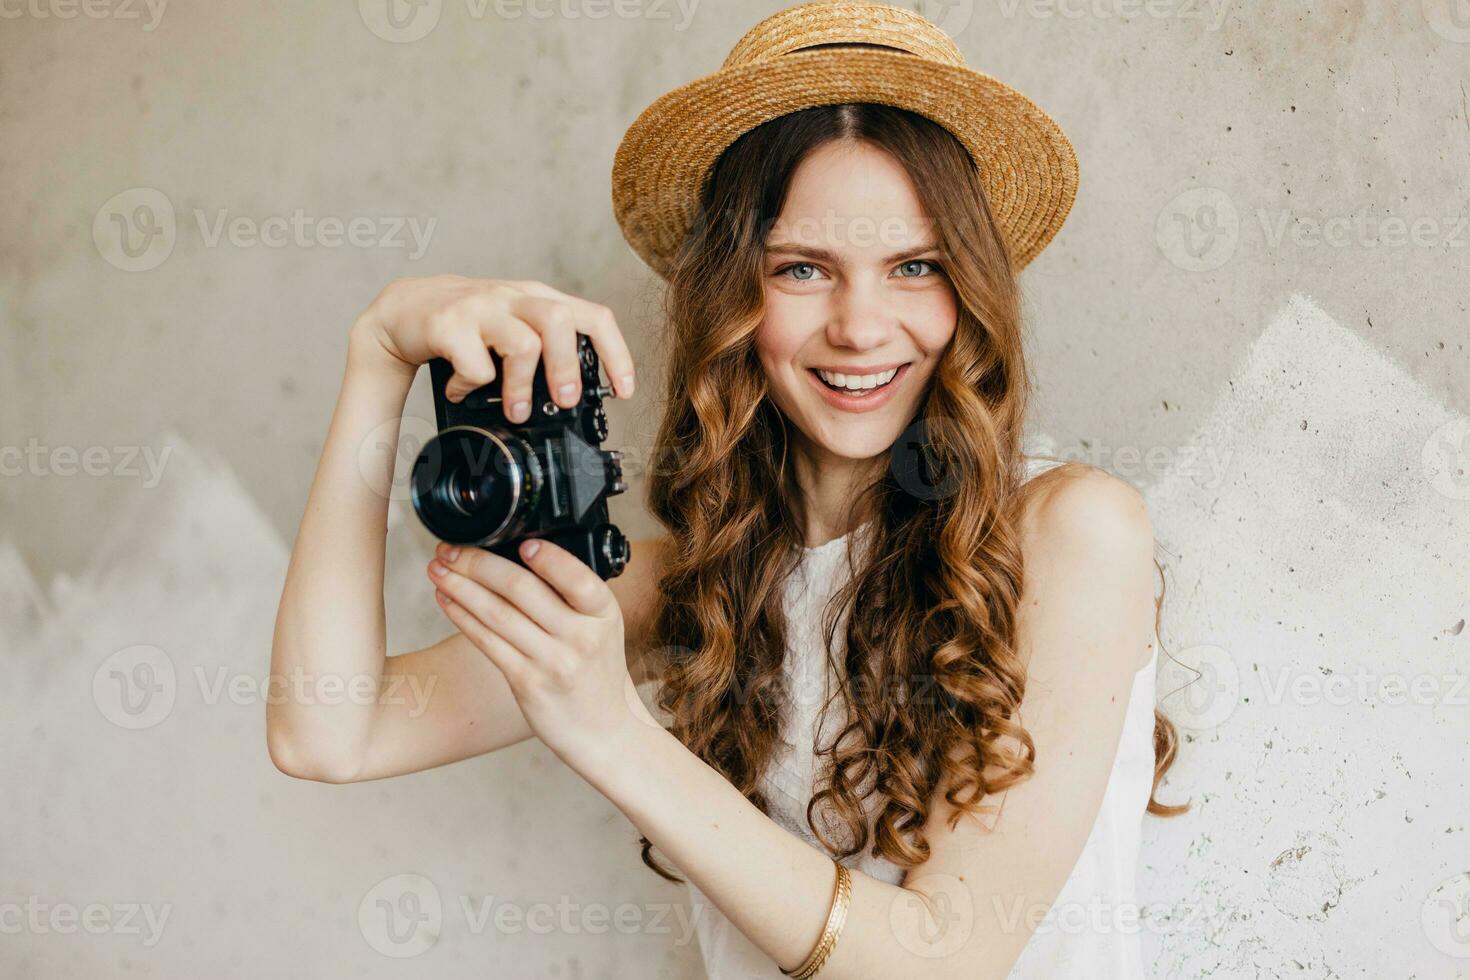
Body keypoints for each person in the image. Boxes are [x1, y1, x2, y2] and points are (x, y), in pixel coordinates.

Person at [268, 2, 1188, 976]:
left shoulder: (1073, 531)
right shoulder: (691, 587)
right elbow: (329, 727)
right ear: (734, 296)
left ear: (969, 291)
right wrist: (378, 352)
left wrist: (614, 732)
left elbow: (943, 960)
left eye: (914, 265)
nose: (862, 325)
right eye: (803, 269)